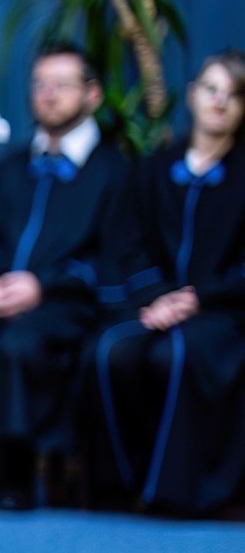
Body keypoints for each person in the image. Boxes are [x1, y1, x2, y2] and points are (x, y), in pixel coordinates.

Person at [0, 43, 128, 507]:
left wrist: (42, 286)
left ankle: (14, 474)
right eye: (40, 84)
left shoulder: (114, 173)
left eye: (62, 85)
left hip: (69, 303)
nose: (48, 94)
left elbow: (113, 257)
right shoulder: (8, 170)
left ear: (92, 94)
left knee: (18, 345)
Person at [85, 50, 245, 516]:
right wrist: (157, 298)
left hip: (224, 312)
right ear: (192, 96)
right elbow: (127, 245)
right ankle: (118, 487)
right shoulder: (153, 168)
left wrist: (199, 299)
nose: (220, 101)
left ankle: (177, 493)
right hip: (154, 303)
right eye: (211, 89)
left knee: (175, 354)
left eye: (234, 94)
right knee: (110, 350)